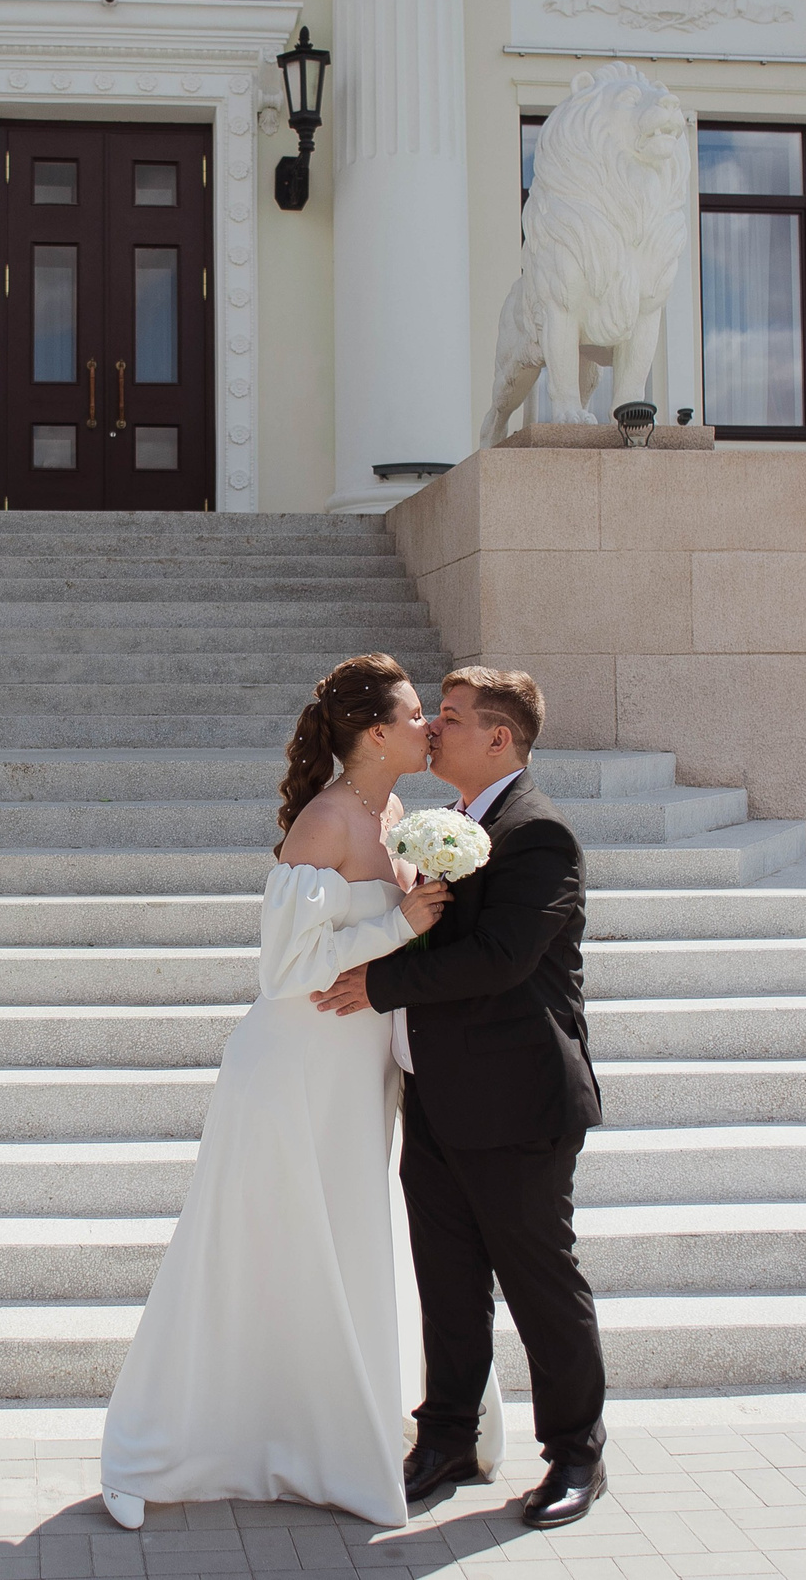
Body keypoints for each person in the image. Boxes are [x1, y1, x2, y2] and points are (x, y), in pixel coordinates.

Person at [97, 653, 453, 1529]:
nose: (429, 726)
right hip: (293, 1068)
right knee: (255, 1252)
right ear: (375, 733)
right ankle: (166, 1444)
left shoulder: (396, 811)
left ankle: (327, 1440)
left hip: (354, 1070)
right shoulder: (328, 822)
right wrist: (395, 923)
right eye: (415, 714)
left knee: (337, 1249)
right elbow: (283, 968)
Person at [314, 667, 609, 1529]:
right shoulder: (454, 824)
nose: (434, 731)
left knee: (539, 1281)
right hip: (437, 1097)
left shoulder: (538, 833)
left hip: (518, 1101)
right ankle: (444, 1437)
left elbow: (502, 958)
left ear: (500, 739)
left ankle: (576, 1454)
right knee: (446, 1283)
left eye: (450, 718)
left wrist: (379, 983)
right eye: (432, 716)